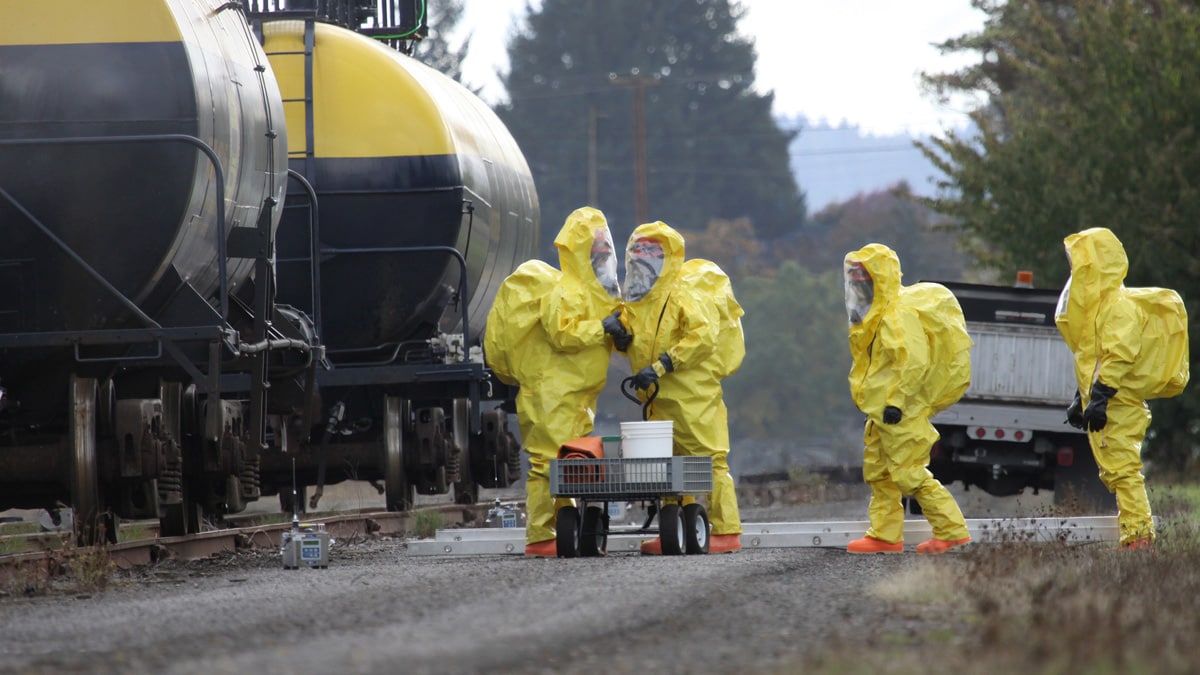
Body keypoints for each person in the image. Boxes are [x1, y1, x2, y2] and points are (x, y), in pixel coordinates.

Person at [484, 207, 625, 557]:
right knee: (549, 464)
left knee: (569, 464)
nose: (603, 255)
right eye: (596, 250)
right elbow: (562, 334)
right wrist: (602, 328)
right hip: (550, 392)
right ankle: (542, 536)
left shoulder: (598, 295)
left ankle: (566, 525)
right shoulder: (566, 291)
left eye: (604, 249)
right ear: (580, 251)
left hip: (576, 395)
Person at [620, 221, 745, 554]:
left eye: (651, 253)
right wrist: (618, 333)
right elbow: (640, 340)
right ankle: (674, 531)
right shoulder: (640, 299)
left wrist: (661, 366)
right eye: (640, 253)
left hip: (693, 395)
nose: (644, 260)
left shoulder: (682, 293)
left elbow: (702, 337)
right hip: (658, 397)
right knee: (668, 466)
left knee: (709, 460)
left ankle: (726, 532)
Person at [843, 243, 971, 555]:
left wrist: (896, 403)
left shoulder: (897, 316)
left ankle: (952, 531)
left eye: (865, 280)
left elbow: (912, 362)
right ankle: (885, 536)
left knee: (909, 472)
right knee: (880, 472)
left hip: (900, 411)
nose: (860, 286)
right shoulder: (879, 316)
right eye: (856, 281)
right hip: (883, 411)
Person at [1056, 227, 1175, 549]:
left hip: (1120, 403)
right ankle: (1135, 535)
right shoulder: (1099, 308)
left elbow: (1120, 355)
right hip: (1110, 401)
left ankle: (1138, 539)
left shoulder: (1119, 306)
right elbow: (1093, 360)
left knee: (1123, 471)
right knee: (1116, 472)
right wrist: (1080, 399)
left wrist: (1101, 396)